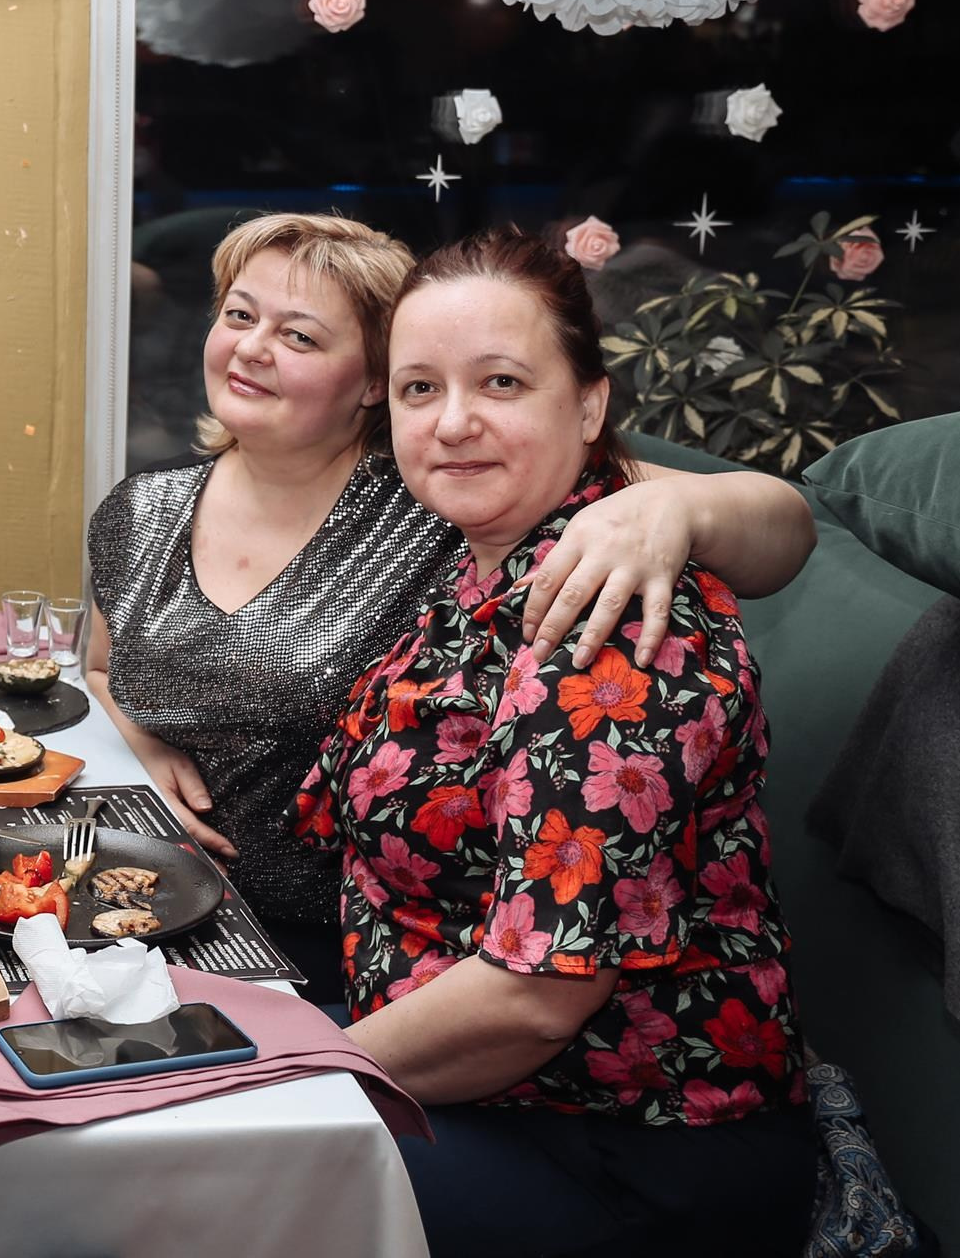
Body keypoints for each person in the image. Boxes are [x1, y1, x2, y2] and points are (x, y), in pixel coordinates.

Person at [84, 214, 815, 999]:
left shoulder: (442, 489)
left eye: (299, 335)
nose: (254, 346)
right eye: (239, 315)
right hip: (150, 914)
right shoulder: (141, 510)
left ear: (371, 383)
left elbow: (785, 524)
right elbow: (97, 668)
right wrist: (134, 754)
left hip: (338, 953)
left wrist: (669, 513)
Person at [293, 226, 814, 1256]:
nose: (451, 423)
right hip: (467, 1086)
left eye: (499, 382)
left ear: (588, 403)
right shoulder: (492, 558)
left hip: (620, 1153)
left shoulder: (610, 622)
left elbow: (535, 999)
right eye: (417, 390)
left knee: (154, 1187)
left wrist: (278, 1081)